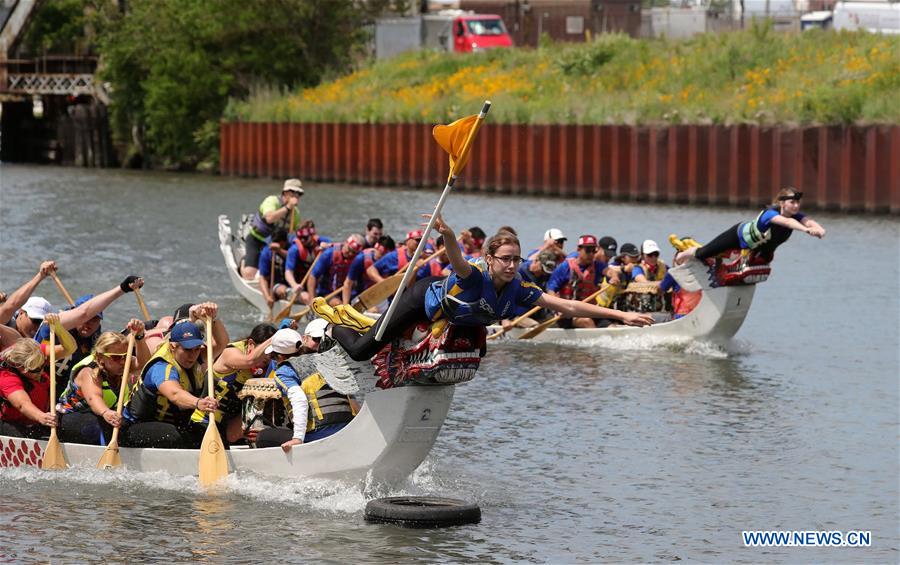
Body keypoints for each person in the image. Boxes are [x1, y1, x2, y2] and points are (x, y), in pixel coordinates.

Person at [314, 215, 653, 362]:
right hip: (421, 299)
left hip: (458, 321)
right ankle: (331, 325)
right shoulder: (475, 276)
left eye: (516, 259)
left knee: (477, 352)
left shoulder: (519, 288)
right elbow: (459, 262)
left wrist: (621, 314)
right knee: (361, 350)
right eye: (505, 259)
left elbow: (569, 306)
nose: (511, 265)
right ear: (490, 258)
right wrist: (447, 235)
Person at [122, 304, 226, 448]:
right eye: (187, 350)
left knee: (217, 435)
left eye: (196, 349)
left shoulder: (197, 356)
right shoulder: (161, 367)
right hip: (136, 427)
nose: (192, 355)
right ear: (173, 347)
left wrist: (214, 318)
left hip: (172, 425)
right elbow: (175, 394)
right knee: (174, 437)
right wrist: (198, 403)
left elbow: (221, 343)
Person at [257, 324, 358, 451]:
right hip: (348, 428)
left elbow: (299, 399)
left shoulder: (285, 370)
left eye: (273, 357)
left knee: (263, 437)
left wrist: (298, 438)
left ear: (280, 356)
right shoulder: (325, 359)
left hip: (319, 433)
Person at [675, 188, 826, 265]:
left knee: (765, 260)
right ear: (782, 203)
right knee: (705, 252)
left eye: (798, 203)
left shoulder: (796, 216)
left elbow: (809, 221)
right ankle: (682, 256)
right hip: (738, 235)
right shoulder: (770, 214)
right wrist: (806, 230)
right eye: (792, 202)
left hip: (759, 248)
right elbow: (787, 223)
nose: (796, 206)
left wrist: (820, 229)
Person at [56, 321, 150, 444]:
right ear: (100, 357)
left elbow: (144, 363)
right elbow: (94, 398)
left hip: (103, 416)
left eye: (125, 356)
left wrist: (139, 336)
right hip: (70, 417)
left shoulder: (123, 364)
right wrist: (106, 412)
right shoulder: (89, 371)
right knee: (99, 427)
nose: (122, 362)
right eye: (116, 357)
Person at [188, 322, 276, 443]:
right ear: (250, 344)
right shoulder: (230, 353)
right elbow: (250, 361)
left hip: (229, 427)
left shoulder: (269, 364)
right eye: (265, 352)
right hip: (205, 422)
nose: (267, 357)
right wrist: (273, 339)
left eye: (272, 353)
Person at [546, 235, 622, 329]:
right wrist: (558, 308)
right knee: (586, 321)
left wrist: (614, 277)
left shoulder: (597, 265)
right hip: (568, 312)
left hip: (589, 310)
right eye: (588, 250)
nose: (591, 254)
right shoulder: (565, 268)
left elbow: (609, 271)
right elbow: (551, 290)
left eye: (593, 250)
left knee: (612, 327)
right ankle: (596, 342)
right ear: (579, 249)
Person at [241, 178, 305, 280]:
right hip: (257, 240)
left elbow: (295, 232)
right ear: (285, 192)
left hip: (277, 245)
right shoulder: (272, 201)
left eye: (299, 194)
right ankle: (244, 261)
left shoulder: (295, 213)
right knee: (249, 275)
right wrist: (288, 207)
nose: (296, 196)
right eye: (293, 192)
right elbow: (269, 218)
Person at [0, 338, 57, 438]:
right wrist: (41, 417)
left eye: (42, 365)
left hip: (34, 421)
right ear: (19, 367)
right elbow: (22, 404)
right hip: (8, 422)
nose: (40, 371)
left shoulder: (34, 352)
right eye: (35, 369)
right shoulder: (7, 378)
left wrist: (59, 329)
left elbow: (69, 348)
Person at [1, 261, 57, 338]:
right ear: (21, 313)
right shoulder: (3, 323)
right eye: (35, 321)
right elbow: (11, 306)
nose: (37, 327)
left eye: (41, 323)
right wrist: (41, 275)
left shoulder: (43, 338)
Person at [307, 234, 365, 306]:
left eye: (354, 253)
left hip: (348, 293)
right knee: (337, 303)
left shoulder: (358, 259)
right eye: (349, 250)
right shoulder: (329, 254)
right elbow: (312, 277)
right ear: (346, 243)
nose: (350, 254)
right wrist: (312, 300)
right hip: (327, 293)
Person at [342, 236, 395, 305]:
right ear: (377, 247)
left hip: (380, 296)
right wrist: (345, 306)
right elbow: (348, 283)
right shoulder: (361, 258)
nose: (384, 259)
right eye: (382, 254)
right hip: (360, 296)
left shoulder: (391, 260)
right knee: (374, 310)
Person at [284, 222, 323, 301]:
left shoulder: (322, 242)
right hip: (300, 286)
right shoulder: (294, 250)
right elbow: (288, 272)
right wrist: (294, 285)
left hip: (316, 284)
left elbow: (340, 247)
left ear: (312, 236)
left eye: (305, 237)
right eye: (300, 237)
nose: (302, 240)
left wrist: (329, 246)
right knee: (308, 298)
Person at [257, 228, 290, 309]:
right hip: (275, 284)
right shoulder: (266, 253)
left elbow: (293, 257)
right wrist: (267, 297)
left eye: (281, 245)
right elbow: (262, 278)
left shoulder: (292, 247)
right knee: (283, 291)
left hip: (293, 282)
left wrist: (279, 250)